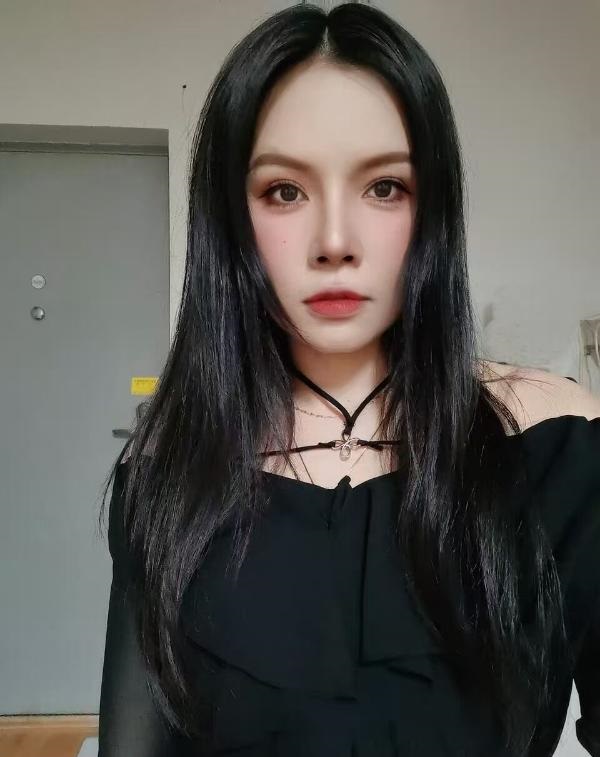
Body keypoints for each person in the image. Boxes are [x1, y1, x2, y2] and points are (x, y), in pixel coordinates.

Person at [97, 3, 600, 756]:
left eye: (385, 187)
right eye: (284, 191)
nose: (335, 242)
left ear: (433, 208)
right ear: (231, 218)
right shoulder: (170, 473)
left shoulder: (554, 446)